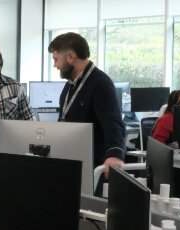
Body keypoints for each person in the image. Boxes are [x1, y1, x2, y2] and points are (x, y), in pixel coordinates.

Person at [48, 32, 126, 195]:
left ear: (70, 57)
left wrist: (115, 154)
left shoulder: (100, 83)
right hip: (72, 159)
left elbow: (113, 122)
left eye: (56, 59)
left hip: (92, 165)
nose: (55, 65)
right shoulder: (71, 84)